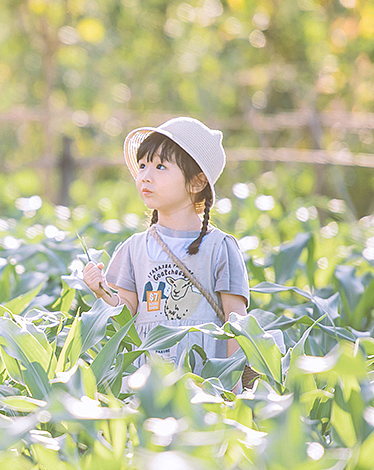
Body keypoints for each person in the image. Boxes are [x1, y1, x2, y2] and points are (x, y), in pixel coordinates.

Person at [81, 116, 251, 371]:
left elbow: (236, 321)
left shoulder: (220, 248)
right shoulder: (134, 248)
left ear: (197, 181)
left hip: (206, 383)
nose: (145, 177)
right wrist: (102, 291)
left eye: (160, 167)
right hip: (148, 382)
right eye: (142, 166)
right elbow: (124, 313)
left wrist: (231, 384)